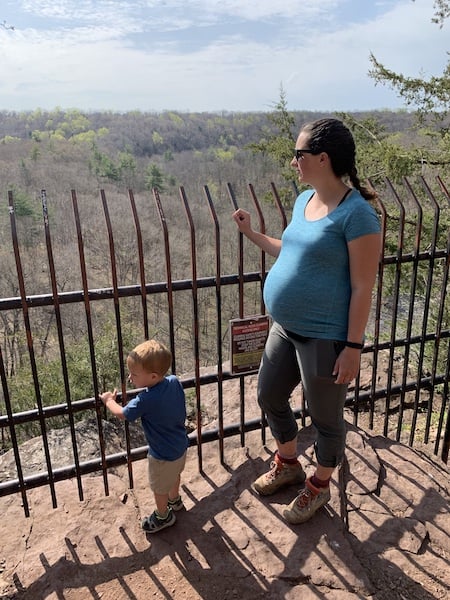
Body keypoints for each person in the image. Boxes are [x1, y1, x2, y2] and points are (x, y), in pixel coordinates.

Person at [232, 118, 381, 524]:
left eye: (299, 154)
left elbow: (362, 287)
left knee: (325, 418)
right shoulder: (304, 200)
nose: (293, 161)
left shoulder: (359, 217)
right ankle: (289, 463)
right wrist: (254, 236)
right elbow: (293, 248)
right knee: (269, 395)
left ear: (322, 158)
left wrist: (352, 348)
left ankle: (318, 486)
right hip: (285, 326)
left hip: (324, 337)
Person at [100, 339, 189, 533]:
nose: (130, 378)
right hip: (180, 445)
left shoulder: (146, 399)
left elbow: (123, 413)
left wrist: (108, 401)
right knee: (174, 475)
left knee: (159, 487)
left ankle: (163, 515)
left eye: (134, 374)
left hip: (162, 454)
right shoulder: (173, 381)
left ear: (153, 376)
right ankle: (175, 501)